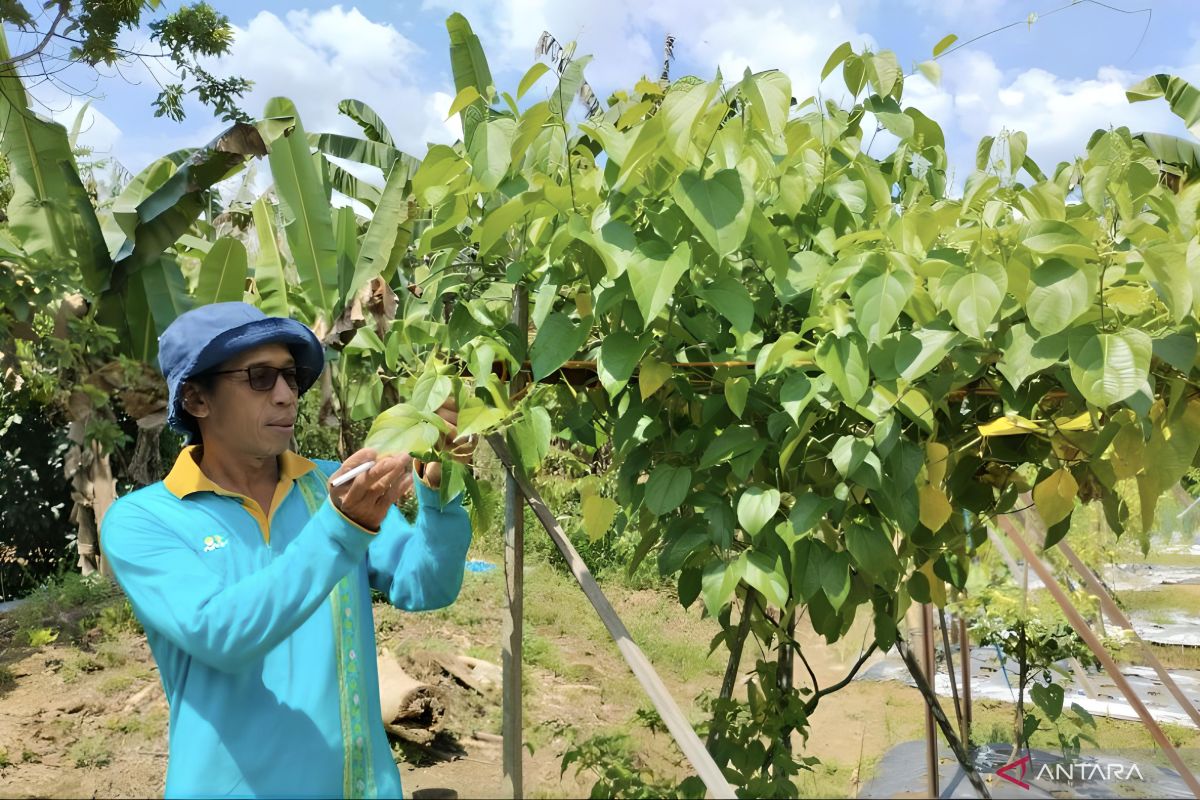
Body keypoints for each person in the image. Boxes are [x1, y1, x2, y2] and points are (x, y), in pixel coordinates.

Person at [101, 302, 474, 799]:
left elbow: (426, 586)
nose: (285, 395)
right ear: (195, 399)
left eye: (291, 377)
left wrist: (439, 483)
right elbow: (219, 634)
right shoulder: (146, 520)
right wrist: (341, 529)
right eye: (259, 377)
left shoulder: (331, 486)